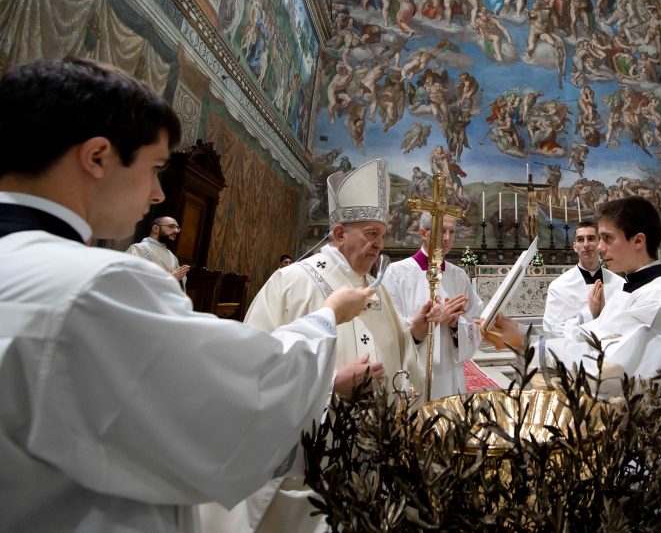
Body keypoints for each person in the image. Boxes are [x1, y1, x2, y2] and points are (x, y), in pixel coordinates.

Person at [0, 58, 372, 532]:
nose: (158, 194)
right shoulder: (94, 287)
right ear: (96, 157)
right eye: (155, 169)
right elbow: (241, 401)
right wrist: (324, 319)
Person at [485, 197, 661, 532]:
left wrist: (528, 346)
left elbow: (611, 371)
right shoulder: (629, 293)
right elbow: (588, 338)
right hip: (633, 443)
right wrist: (521, 336)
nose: (599, 247)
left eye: (607, 238)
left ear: (638, 240)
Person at [208, 158, 433, 533]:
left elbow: (399, 357)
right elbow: (252, 374)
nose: (379, 244)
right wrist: (331, 386)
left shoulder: (377, 291)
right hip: (314, 455)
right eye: (370, 233)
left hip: (375, 453)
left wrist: (416, 333)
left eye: (382, 233)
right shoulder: (291, 283)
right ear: (340, 233)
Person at [382, 212, 483, 399]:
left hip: (450, 372)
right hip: (413, 368)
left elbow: (475, 321)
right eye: (441, 231)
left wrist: (455, 325)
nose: (447, 238)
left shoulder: (459, 276)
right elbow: (388, 325)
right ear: (423, 233)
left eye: (452, 232)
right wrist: (430, 321)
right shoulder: (397, 272)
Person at [542, 220, 625, 339]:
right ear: (575, 246)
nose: (586, 244)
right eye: (580, 240)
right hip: (576, 354)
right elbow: (553, 333)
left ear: (599, 243)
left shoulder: (620, 284)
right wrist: (588, 313)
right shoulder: (559, 286)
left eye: (591, 238)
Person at [127, 215, 190, 288]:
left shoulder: (172, 256)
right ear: (156, 228)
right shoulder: (137, 249)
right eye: (171, 226)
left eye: (177, 228)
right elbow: (129, 279)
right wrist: (168, 279)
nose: (176, 231)